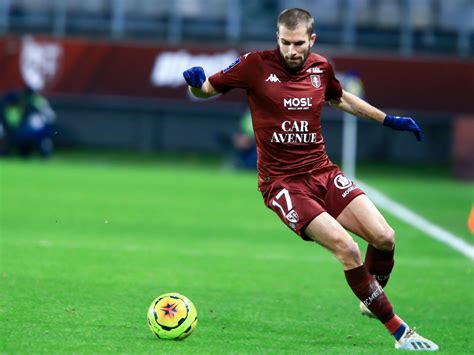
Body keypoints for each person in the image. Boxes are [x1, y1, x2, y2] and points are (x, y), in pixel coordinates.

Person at [183, 8, 438, 351]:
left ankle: (370, 298)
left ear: (311, 40)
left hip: (322, 171)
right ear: (277, 38)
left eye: (298, 43)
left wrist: (388, 120)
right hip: (283, 183)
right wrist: (196, 84)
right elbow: (208, 88)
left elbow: (340, 98)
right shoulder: (254, 65)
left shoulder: (321, 67)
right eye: (285, 42)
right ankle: (401, 332)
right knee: (346, 248)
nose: (291, 50)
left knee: (385, 237)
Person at [0, 86, 56, 158]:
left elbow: (50, 116)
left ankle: (44, 152)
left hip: (31, 132)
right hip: (14, 131)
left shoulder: (38, 102)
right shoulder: (10, 102)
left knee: (40, 135)